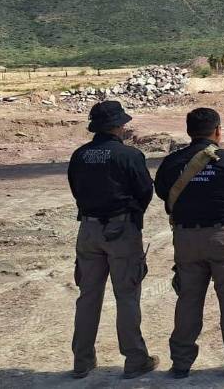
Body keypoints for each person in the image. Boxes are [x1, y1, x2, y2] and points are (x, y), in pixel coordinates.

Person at [154, 108, 224, 378]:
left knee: (188, 299)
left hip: (187, 238)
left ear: (189, 131)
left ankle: (181, 362)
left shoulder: (172, 162)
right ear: (218, 131)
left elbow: (162, 193)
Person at [67, 100, 159, 379]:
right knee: (127, 296)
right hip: (121, 229)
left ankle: (82, 361)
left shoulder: (79, 155)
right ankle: (134, 359)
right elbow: (145, 191)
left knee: (88, 298)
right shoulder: (129, 155)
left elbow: (76, 189)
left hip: (88, 229)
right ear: (118, 126)